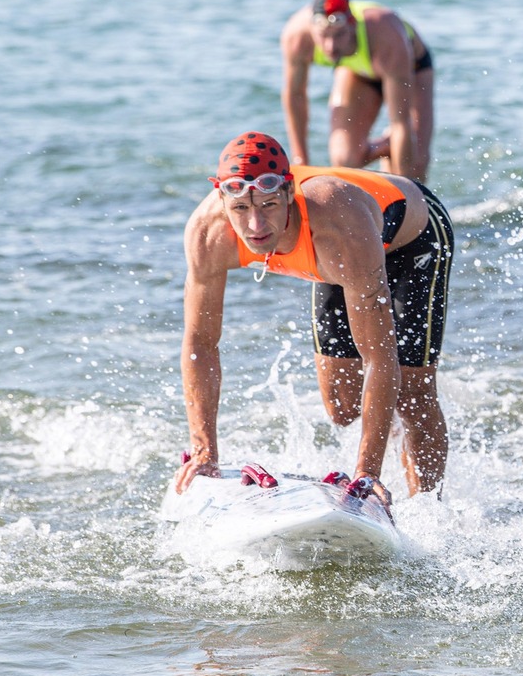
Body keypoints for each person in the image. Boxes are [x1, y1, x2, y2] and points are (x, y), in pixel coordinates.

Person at [174, 132, 453, 504]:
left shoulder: (338, 228)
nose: (256, 226)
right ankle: (393, 435)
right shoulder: (207, 233)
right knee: (341, 406)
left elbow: (380, 357)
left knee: (413, 390)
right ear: (223, 200)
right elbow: (200, 343)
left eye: (269, 205)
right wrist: (204, 450)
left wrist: (366, 475)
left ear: (289, 193)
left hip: (409, 235)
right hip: (337, 255)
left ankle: (427, 506)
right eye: (241, 208)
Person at [281, 0, 434, 180]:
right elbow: (295, 96)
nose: (331, 46)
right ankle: (386, 148)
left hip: (411, 69)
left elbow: (400, 123)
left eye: (338, 35)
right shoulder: (297, 37)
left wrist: (407, 192)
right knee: (345, 159)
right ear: (312, 29)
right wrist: (300, 162)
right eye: (323, 36)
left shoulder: (387, 35)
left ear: (353, 25)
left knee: (416, 162)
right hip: (357, 71)